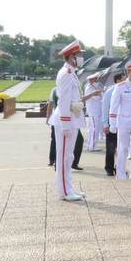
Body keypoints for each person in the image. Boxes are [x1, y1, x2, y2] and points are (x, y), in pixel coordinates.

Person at [52, 41, 87, 201]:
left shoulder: (71, 72)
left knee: (69, 157)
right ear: (72, 57)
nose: (81, 57)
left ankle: (69, 188)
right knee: (64, 157)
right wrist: (66, 123)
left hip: (72, 117)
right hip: (66, 119)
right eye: (79, 55)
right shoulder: (66, 73)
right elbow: (63, 100)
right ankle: (64, 191)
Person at [101, 73, 123, 176]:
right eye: (124, 79)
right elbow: (105, 109)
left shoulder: (125, 90)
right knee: (111, 147)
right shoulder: (109, 92)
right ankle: (109, 168)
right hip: (111, 123)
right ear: (118, 81)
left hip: (122, 123)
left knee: (121, 147)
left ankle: (119, 168)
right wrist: (105, 124)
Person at [84, 74, 104, 151]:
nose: (97, 82)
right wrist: (95, 94)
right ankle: (92, 145)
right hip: (93, 110)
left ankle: (91, 144)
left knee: (94, 128)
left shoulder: (94, 88)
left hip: (96, 110)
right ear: (92, 81)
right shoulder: (89, 88)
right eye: (95, 81)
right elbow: (87, 97)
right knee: (95, 128)